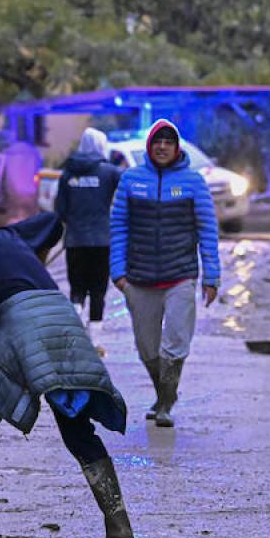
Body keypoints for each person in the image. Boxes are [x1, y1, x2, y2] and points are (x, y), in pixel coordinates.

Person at [0, 212, 132, 538]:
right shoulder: (6, 238)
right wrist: (33, 264)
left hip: (21, 331)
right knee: (77, 429)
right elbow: (51, 222)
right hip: (65, 324)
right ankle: (120, 527)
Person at [109, 120, 220, 428]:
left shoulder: (194, 182)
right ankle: (162, 394)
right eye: (157, 142)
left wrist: (211, 277)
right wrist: (119, 274)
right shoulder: (131, 180)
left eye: (168, 142)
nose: (162, 147)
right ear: (150, 146)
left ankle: (167, 403)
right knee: (147, 346)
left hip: (180, 276)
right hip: (138, 279)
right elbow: (118, 228)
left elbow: (208, 231)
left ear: (177, 147)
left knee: (175, 344)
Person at [54, 127, 121, 355]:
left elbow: (59, 210)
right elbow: (125, 200)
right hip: (102, 241)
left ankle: (73, 337)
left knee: (77, 290)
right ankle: (94, 343)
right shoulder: (110, 173)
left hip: (75, 241)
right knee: (99, 291)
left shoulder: (67, 175)